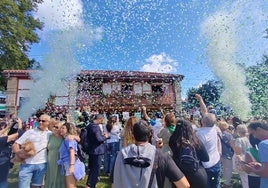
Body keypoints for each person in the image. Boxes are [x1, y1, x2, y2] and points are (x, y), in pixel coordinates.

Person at [112, 119, 190, 188]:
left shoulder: (121, 155)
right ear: (150, 134)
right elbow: (184, 185)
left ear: (133, 136)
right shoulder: (161, 156)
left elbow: (114, 183)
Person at [12, 114, 52, 188]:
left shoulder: (50, 134)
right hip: (27, 164)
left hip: (42, 164)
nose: (40, 122)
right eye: (39, 120)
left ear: (48, 122)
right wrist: (19, 156)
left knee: (36, 186)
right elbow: (16, 144)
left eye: (43, 121)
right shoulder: (30, 132)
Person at [169, 119, 209, 188]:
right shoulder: (196, 141)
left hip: (180, 175)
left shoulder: (173, 141)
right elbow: (206, 158)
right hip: (197, 173)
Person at [195, 94, 222, 188]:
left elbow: (196, 149)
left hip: (206, 165)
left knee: (207, 185)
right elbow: (205, 112)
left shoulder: (199, 134)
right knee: (216, 184)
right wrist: (200, 99)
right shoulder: (214, 128)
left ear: (203, 122)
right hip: (216, 162)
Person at [85, 114, 109, 188]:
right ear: (99, 119)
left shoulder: (89, 125)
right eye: (101, 120)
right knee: (96, 169)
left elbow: (95, 137)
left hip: (92, 149)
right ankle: (92, 185)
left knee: (92, 168)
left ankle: (89, 183)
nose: (101, 122)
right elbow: (99, 139)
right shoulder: (95, 127)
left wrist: (101, 135)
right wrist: (105, 137)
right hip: (97, 150)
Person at [243, 121, 268, 188]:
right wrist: (261, 166)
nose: (254, 137)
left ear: (258, 129)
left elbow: (266, 173)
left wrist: (252, 169)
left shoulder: (264, 144)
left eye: (253, 133)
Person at [0, 119, 23, 188]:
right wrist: (20, 123)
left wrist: (8, 126)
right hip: (2, 163)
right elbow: (19, 133)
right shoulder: (2, 140)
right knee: (3, 181)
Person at [57, 122, 78, 188]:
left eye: (63, 128)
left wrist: (71, 166)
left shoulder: (68, 139)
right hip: (67, 164)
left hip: (69, 164)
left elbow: (72, 152)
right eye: (61, 128)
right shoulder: (66, 138)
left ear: (68, 130)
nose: (61, 130)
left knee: (70, 186)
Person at [233, 124, 251, 188]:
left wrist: (232, 145)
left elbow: (238, 152)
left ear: (238, 131)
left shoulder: (239, 140)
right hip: (249, 159)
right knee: (247, 178)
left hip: (242, 160)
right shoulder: (248, 138)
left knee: (244, 179)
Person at [218, 120, 234, 188]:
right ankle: (226, 184)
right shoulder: (228, 135)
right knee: (228, 169)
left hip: (219, 154)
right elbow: (231, 144)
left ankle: (219, 181)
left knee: (220, 169)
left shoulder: (217, 134)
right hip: (227, 154)